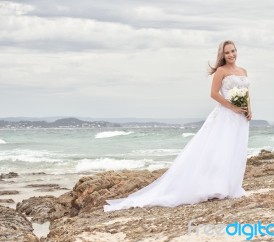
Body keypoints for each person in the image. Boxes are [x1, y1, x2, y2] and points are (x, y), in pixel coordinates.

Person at [103, 40, 252, 212]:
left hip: (240, 118)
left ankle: (231, 186)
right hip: (226, 116)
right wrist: (232, 107)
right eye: (227, 53)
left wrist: (249, 110)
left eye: (233, 51)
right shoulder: (221, 71)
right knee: (220, 150)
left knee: (235, 150)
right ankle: (216, 187)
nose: (231, 55)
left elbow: (247, 94)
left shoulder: (243, 71)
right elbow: (213, 93)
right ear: (222, 55)